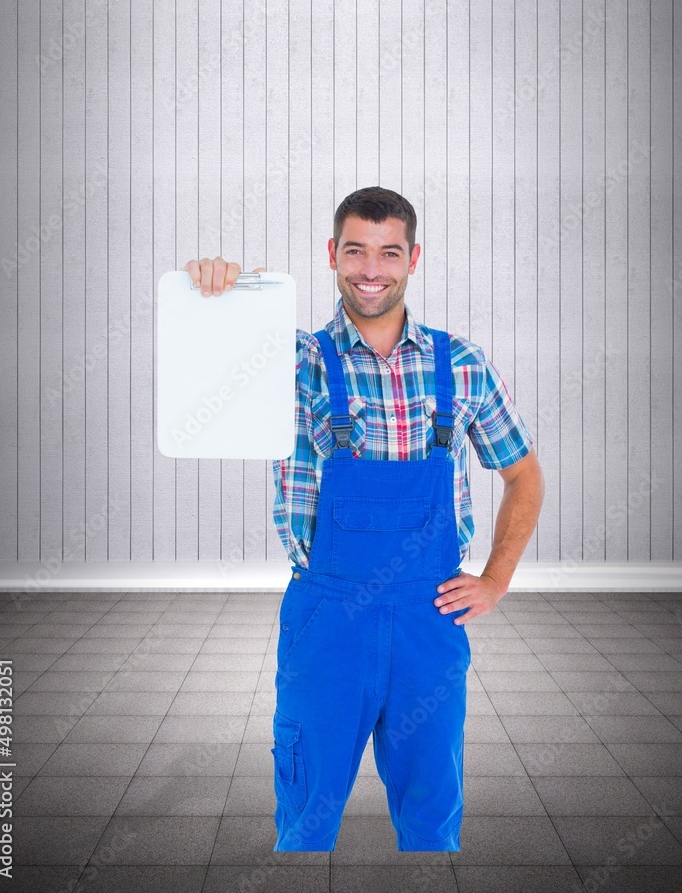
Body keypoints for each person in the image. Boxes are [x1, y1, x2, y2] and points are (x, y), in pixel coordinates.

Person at [183, 185, 545, 852]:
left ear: (413, 258)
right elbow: (196, 384)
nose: (370, 269)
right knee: (306, 812)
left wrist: (495, 578)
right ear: (331, 254)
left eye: (387, 252)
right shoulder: (283, 360)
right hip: (326, 619)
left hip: (429, 618)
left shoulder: (459, 364)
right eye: (355, 251)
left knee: (433, 810)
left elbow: (522, 473)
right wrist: (215, 298)